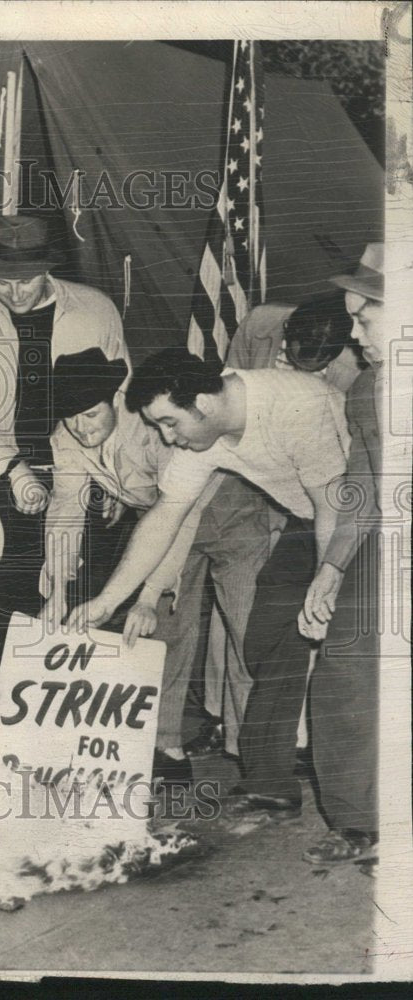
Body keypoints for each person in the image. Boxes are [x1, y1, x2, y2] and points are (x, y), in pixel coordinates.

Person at [65, 348, 350, 817]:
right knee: (269, 635)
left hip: (367, 516)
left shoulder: (296, 403)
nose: (166, 437)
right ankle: (271, 781)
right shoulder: (204, 436)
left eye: (169, 422)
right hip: (310, 518)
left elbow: (332, 505)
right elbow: (166, 516)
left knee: (341, 644)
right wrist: (107, 601)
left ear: (204, 401)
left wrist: (329, 576)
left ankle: (359, 799)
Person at [0, 215, 131, 751]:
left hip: (85, 474)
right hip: (2, 477)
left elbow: (120, 399)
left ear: (49, 268)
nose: (14, 292)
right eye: (2, 280)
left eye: (26, 279)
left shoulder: (95, 309)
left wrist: (115, 479)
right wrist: (12, 468)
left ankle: (72, 751)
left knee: (82, 605)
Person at [42, 348, 269, 783]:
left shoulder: (153, 428)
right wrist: (57, 592)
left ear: (113, 399)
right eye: (70, 417)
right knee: (162, 634)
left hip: (225, 513)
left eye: (90, 415)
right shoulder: (66, 435)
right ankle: (168, 749)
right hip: (160, 527)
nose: (80, 426)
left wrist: (148, 594)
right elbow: (66, 511)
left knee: (245, 634)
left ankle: (261, 760)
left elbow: (179, 511)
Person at [194, 289, 361, 757]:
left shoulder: (354, 365)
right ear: (285, 332)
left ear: (336, 353)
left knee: (291, 613)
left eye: (317, 363)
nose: (299, 364)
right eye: (293, 353)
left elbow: (332, 466)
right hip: (244, 471)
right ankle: (219, 719)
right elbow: (228, 399)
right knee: (234, 608)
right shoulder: (259, 323)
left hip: (308, 487)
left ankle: (281, 736)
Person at [298, 244, 385, 864]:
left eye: (364, 320)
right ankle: (355, 819)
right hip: (385, 547)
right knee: (344, 667)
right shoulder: (367, 390)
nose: (353, 338)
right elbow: (362, 483)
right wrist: (332, 566)